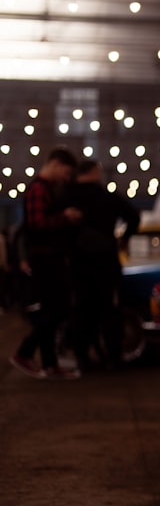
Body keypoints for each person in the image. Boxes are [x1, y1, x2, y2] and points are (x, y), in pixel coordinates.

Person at [9, 147, 82, 380]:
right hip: (46, 259)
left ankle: (50, 364)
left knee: (53, 309)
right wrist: (65, 217)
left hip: (47, 258)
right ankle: (25, 352)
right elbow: (37, 223)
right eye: (66, 172)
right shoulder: (39, 189)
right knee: (58, 309)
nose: (66, 178)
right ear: (56, 164)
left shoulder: (44, 189)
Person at [67, 159, 141, 371]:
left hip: (77, 262)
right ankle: (113, 356)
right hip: (105, 260)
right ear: (95, 172)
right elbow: (134, 216)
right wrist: (124, 239)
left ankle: (82, 357)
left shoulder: (67, 197)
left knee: (81, 309)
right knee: (109, 309)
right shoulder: (107, 197)